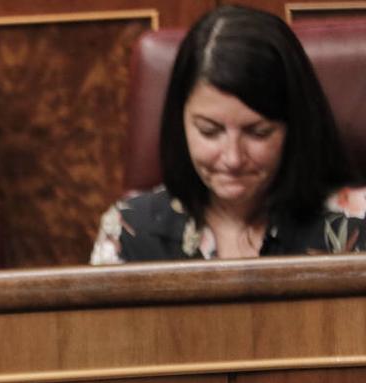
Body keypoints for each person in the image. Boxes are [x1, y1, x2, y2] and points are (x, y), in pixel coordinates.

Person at [91, 5, 365, 263]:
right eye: (209, 132)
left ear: (294, 127)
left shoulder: (357, 225)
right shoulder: (129, 232)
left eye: (258, 133)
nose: (233, 159)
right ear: (180, 124)